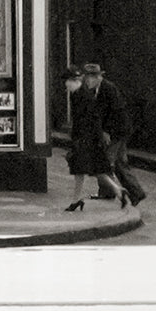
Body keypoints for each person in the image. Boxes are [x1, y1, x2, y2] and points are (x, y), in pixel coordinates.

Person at [62, 64, 128, 211]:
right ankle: (117, 191)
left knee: (85, 169)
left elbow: (89, 118)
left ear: (73, 81)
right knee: (93, 169)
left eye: (67, 81)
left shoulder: (82, 95)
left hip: (86, 139)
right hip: (87, 138)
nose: (66, 84)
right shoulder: (80, 94)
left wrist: (84, 137)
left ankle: (77, 200)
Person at [83, 61, 145, 205]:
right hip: (117, 131)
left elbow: (115, 113)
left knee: (105, 161)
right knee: (119, 163)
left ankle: (111, 192)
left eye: (90, 78)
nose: (87, 81)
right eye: (86, 78)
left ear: (97, 77)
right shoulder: (98, 89)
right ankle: (135, 193)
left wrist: (106, 132)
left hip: (117, 131)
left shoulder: (108, 89)